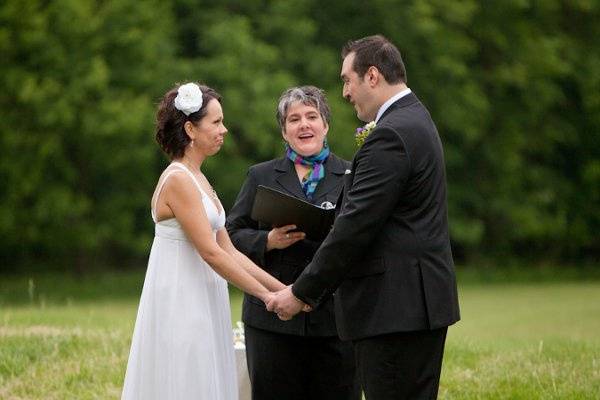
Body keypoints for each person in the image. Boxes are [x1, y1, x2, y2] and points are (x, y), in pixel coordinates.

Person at [268, 35, 461, 399]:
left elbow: (354, 228)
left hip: (394, 311)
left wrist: (301, 292)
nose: (344, 92)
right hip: (414, 305)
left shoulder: (391, 134)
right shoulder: (416, 119)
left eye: (347, 80)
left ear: (372, 76)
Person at [121, 82, 285, 400]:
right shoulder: (178, 179)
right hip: (183, 298)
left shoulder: (198, 177)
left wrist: (281, 289)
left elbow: (228, 249)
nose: (224, 129)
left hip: (204, 295)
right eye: (216, 122)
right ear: (190, 129)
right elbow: (210, 252)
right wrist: (267, 298)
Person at [226, 86, 360, 400]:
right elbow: (230, 236)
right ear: (284, 131)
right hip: (271, 319)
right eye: (294, 119)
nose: (304, 124)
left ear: (325, 125)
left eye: (312, 116)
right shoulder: (261, 175)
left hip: (335, 321)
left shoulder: (352, 174)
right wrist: (267, 241)